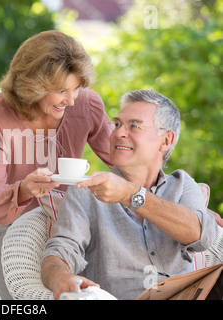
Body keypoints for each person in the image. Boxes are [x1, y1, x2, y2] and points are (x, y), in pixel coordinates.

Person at [0, 30, 113, 299]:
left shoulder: (86, 104)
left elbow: (126, 161)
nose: (71, 100)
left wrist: (181, 202)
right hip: (1, 214)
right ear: (32, 87)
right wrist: (24, 189)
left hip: (59, 210)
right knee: (20, 298)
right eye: (61, 91)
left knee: (70, 292)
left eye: (77, 87)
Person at [40, 89, 218, 300]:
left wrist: (131, 194)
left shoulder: (182, 185)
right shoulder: (86, 191)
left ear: (166, 140)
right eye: (116, 124)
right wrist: (61, 279)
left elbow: (200, 236)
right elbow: (60, 251)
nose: (118, 133)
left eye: (134, 126)